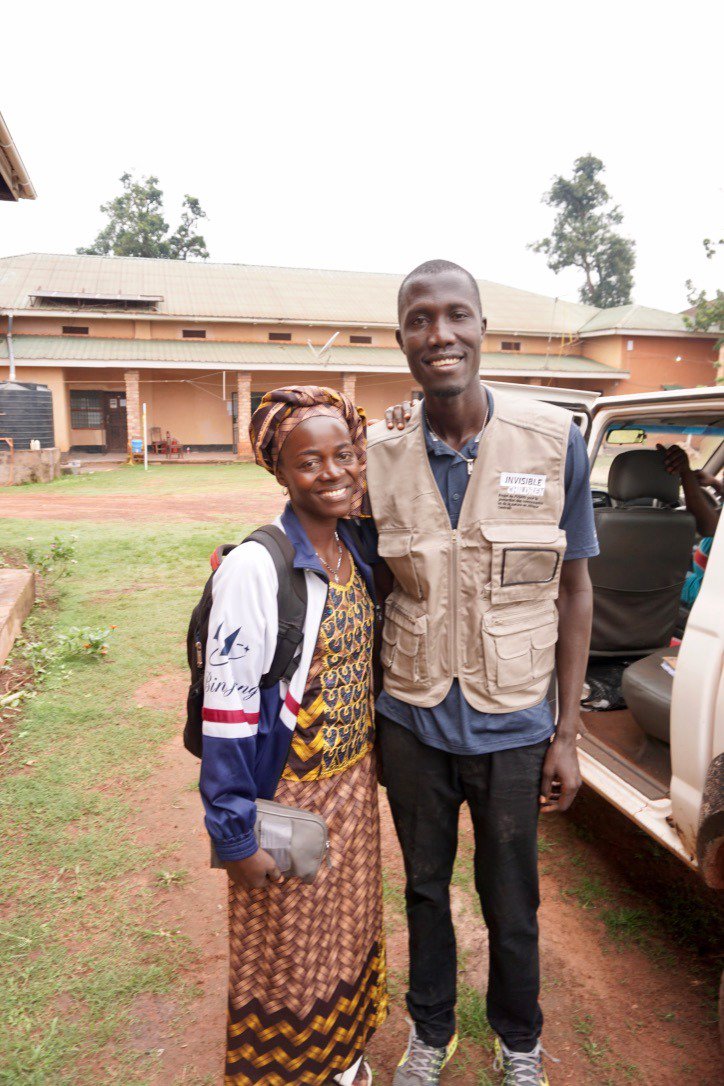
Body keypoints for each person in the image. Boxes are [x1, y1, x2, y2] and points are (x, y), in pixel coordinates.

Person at [366, 260, 598, 1086]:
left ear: (481, 328)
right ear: (402, 341)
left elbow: (574, 588)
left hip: (512, 727)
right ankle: (430, 1033)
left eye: (455, 315)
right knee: (424, 890)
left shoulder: (551, 440)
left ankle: (520, 1039)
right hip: (412, 724)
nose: (440, 334)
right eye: (420, 320)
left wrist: (567, 734)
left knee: (514, 904)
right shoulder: (379, 453)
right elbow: (374, 589)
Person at [199, 386, 387, 1086]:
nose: (335, 473)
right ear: (280, 471)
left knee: (344, 930)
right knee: (285, 949)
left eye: (345, 455)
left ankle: (340, 1058)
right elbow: (227, 711)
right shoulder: (257, 566)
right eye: (311, 461)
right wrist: (234, 834)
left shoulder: (350, 546)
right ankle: (289, 1072)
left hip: (353, 788)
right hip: (290, 791)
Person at [659, 443, 722, 607]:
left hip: (705, 593)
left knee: (654, 577)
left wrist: (686, 473)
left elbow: (709, 529)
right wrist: (715, 483)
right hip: (706, 579)